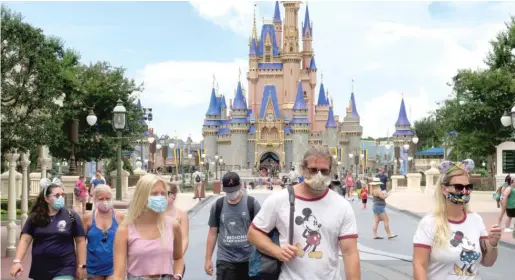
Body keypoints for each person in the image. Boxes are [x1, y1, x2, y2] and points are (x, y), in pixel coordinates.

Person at [247, 145, 361, 280]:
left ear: (330, 171)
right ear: (303, 168)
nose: (318, 175)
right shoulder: (279, 200)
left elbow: (350, 253)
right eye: (313, 170)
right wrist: (277, 251)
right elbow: (253, 234)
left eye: (324, 171)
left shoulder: (342, 206)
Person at [413, 159, 501, 279]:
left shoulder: (476, 220)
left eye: (468, 187)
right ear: (444, 190)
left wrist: (493, 243)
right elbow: (419, 264)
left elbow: (488, 262)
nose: (465, 191)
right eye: (459, 187)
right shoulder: (429, 223)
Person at [10, 178, 87, 280]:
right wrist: (17, 261)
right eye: (57, 195)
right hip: (40, 268)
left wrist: (82, 265)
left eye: (62, 195)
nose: (61, 198)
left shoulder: (71, 216)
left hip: (65, 266)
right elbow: (25, 240)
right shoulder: (35, 217)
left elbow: (81, 241)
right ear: (46, 199)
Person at [113, 174, 184, 280]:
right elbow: (118, 275)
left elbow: (178, 257)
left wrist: (178, 275)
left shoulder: (173, 225)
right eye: (154, 194)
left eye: (163, 194)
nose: (160, 197)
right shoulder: (125, 229)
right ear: (142, 197)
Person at [205, 172, 261, 279]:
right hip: (225, 259)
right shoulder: (218, 206)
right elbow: (212, 233)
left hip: (249, 259)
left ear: (240, 186)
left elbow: (262, 231)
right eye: (228, 191)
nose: (231, 194)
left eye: (234, 191)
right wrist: (208, 259)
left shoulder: (252, 204)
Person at [82, 184, 125, 279]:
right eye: (101, 199)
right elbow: (81, 243)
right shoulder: (87, 218)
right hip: (93, 268)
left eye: (108, 198)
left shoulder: (120, 217)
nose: (105, 202)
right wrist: (81, 265)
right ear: (95, 200)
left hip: (114, 268)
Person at [167, 182, 190, 276]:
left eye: (165, 193)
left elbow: (184, 238)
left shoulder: (181, 214)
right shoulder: (154, 214)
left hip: (174, 260)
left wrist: (177, 255)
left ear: (173, 195)